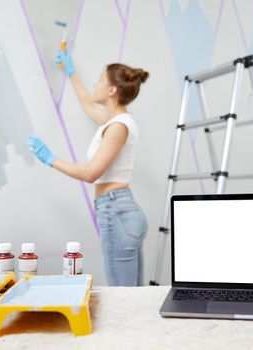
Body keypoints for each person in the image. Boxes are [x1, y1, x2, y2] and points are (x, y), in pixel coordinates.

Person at [27, 49, 149, 286]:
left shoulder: (118, 127)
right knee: (133, 296)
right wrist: (70, 72)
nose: (95, 85)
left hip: (116, 211)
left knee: (123, 298)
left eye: (100, 80)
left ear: (112, 90)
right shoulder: (116, 122)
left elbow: (92, 173)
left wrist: (50, 159)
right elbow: (86, 103)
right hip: (121, 210)